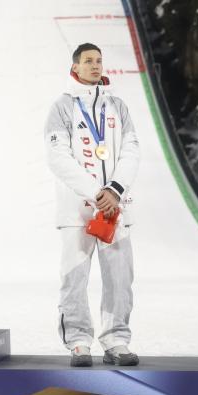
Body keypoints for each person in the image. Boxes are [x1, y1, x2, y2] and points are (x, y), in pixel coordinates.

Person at [44, 43, 140, 367]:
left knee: (119, 277)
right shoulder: (62, 107)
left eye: (99, 60)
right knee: (74, 277)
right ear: (75, 67)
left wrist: (113, 191)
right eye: (88, 61)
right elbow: (58, 158)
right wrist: (96, 194)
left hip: (116, 208)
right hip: (78, 210)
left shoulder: (117, 106)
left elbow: (131, 151)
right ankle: (79, 342)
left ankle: (116, 340)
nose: (95, 66)